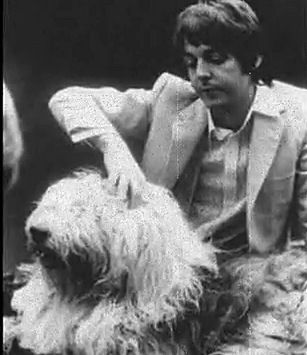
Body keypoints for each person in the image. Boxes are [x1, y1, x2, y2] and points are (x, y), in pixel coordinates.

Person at [48, 0, 307, 256]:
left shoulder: (298, 115)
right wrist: (113, 149)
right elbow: (68, 98)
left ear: (253, 61)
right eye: (192, 63)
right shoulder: (170, 103)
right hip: (172, 271)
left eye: (215, 59)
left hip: (255, 276)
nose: (201, 74)